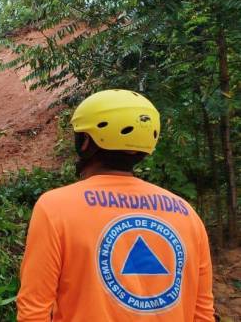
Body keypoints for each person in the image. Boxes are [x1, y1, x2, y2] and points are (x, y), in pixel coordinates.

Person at [17, 89, 214, 321]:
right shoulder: (186, 213)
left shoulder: (55, 207)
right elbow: (203, 314)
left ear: (85, 143)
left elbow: (34, 310)